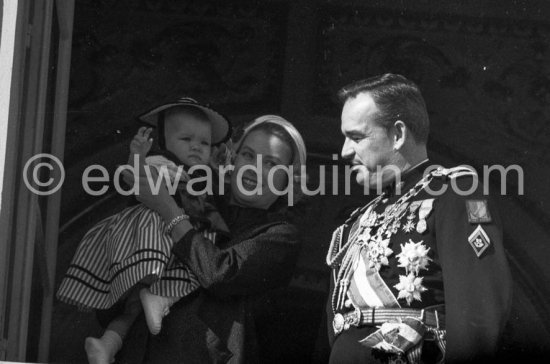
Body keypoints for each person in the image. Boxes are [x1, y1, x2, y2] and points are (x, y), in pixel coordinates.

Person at [325, 74, 512, 364]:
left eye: (357, 137)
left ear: (398, 134)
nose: (345, 151)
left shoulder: (458, 195)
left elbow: (477, 319)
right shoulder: (355, 224)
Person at [56, 97, 231, 364]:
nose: (196, 147)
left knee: (135, 309)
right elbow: (134, 179)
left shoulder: (206, 177)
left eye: (205, 143)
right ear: (164, 142)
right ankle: (158, 295)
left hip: (176, 253)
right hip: (153, 237)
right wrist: (138, 155)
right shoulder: (162, 163)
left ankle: (107, 346)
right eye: (186, 139)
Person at [120, 114, 307, 363]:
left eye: (271, 164)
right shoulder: (198, 196)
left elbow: (220, 273)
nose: (253, 169)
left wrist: (168, 209)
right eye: (248, 155)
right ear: (233, 158)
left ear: (289, 179)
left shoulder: (281, 235)